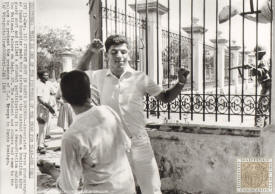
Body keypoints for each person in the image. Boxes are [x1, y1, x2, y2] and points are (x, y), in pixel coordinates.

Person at [78, 34, 189, 194]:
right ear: (107, 54)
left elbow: (165, 97)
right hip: (112, 145)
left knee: (151, 188)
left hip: (139, 142)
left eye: (123, 52)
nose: (119, 56)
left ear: (129, 53)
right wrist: (90, 51)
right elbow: (76, 75)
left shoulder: (140, 78)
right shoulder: (99, 76)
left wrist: (180, 83)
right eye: (114, 52)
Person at [38, 70, 135, 194]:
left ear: (64, 99)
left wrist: (50, 170)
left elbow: (68, 188)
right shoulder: (108, 111)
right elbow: (127, 146)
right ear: (89, 92)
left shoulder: (71, 136)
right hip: (127, 188)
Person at [245, 46, 271, 127]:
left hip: (268, 86)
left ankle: (257, 128)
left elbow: (263, 71)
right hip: (266, 87)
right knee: (265, 109)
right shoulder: (262, 60)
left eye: (256, 53)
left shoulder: (264, 60)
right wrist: (251, 67)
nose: (255, 55)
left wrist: (252, 69)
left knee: (260, 108)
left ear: (261, 53)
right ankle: (265, 127)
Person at [36, 70, 56, 154]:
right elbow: (40, 99)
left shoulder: (48, 84)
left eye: (47, 75)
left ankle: (42, 143)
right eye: (44, 75)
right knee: (41, 127)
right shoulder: (38, 84)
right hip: (42, 107)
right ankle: (40, 146)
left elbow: (54, 92)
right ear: (40, 76)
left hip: (47, 107)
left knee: (46, 127)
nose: (46, 77)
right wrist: (49, 107)